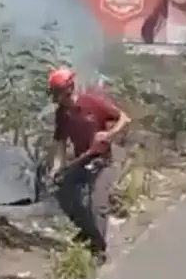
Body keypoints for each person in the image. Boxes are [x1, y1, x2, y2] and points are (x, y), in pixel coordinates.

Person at [46, 66, 131, 261]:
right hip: (81, 161)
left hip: (102, 162)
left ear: (68, 89)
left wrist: (109, 134)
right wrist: (57, 168)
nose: (57, 98)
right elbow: (60, 143)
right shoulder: (62, 114)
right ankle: (86, 231)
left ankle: (99, 249)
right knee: (63, 193)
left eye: (59, 92)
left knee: (97, 204)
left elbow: (124, 119)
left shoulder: (91, 102)